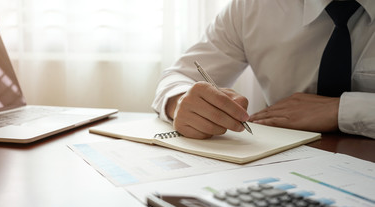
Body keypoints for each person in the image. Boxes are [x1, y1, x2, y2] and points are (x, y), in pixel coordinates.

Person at [152, 0, 375, 140]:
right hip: (287, 164)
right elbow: (180, 76)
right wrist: (181, 100)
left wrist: (342, 111)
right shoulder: (253, 6)